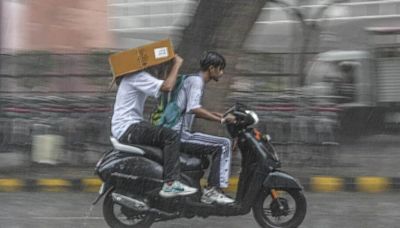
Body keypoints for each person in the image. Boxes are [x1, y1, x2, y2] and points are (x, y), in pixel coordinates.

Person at [111, 54, 197, 198]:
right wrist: (176, 64)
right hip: (129, 128)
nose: (160, 69)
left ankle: (162, 180)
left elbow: (163, 88)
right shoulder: (138, 76)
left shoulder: (132, 77)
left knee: (161, 133)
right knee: (171, 136)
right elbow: (167, 86)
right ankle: (171, 184)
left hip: (127, 127)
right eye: (159, 66)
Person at [171, 51, 235, 204]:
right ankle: (213, 190)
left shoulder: (192, 80)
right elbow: (194, 109)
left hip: (175, 132)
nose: (222, 72)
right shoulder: (197, 82)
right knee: (224, 144)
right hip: (179, 134)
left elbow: (193, 110)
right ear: (212, 69)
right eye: (220, 69)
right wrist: (221, 121)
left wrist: (221, 116)